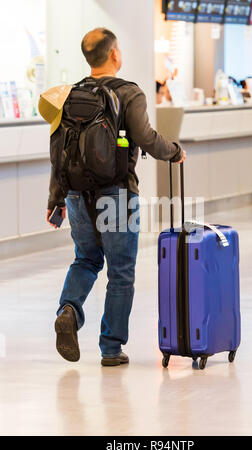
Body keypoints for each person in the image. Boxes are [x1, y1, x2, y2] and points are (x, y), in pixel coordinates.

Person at [46, 27, 186, 366]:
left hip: (78, 195)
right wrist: (175, 151)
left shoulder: (67, 96)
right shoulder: (129, 93)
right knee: (120, 271)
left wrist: (56, 200)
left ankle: (69, 309)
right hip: (118, 194)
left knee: (86, 259)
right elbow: (146, 137)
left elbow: (58, 152)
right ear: (114, 55)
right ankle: (110, 348)